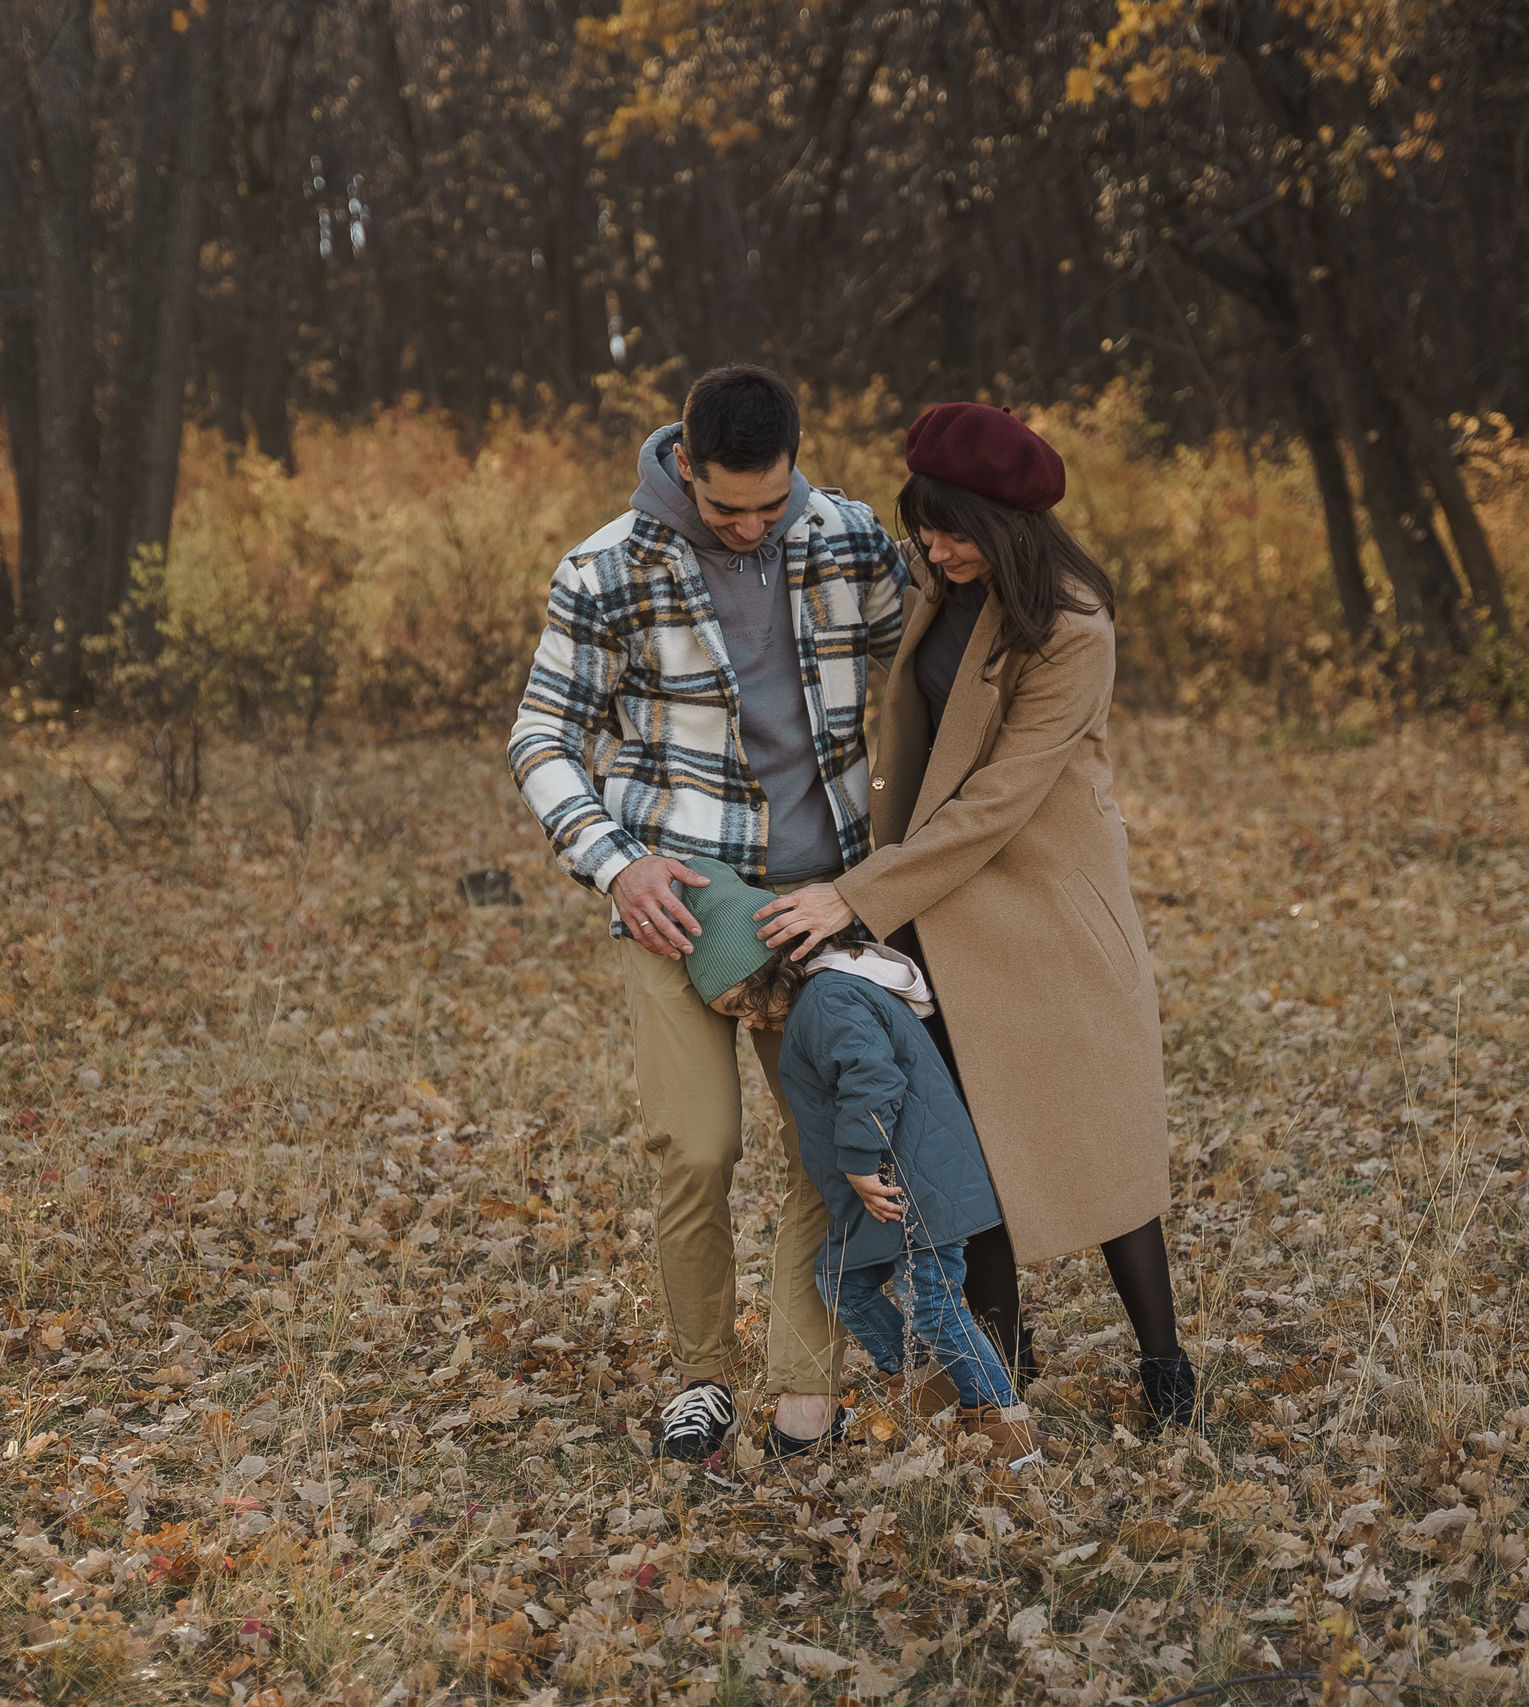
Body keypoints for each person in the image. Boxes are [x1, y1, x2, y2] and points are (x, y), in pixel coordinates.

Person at [752, 402, 1198, 1428]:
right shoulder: (931, 578)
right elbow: (813, 508)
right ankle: (1004, 1368)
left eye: (954, 532)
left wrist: (854, 896)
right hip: (935, 910)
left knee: (1105, 1153)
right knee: (970, 1144)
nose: (935, 549)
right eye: (924, 528)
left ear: (1007, 527)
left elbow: (996, 803)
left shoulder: (1072, 628)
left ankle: (1165, 1367)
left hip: (1045, 915)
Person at [506, 365, 910, 1462]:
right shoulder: (604, 569)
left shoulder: (851, 541)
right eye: (725, 505)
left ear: (795, 467)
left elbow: (935, 667)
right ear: (683, 464)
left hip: (823, 908)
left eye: (768, 505)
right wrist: (615, 865)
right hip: (679, 908)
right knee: (694, 1148)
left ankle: (802, 1385)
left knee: (827, 1151)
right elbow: (541, 737)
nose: (747, 526)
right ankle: (700, 1377)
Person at [672, 856, 1043, 1467]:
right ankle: (926, 1379)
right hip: (893, 1183)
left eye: (744, 1004)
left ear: (773, 967)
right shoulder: (819, 1000)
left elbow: (872, 1079)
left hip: (913, 1178)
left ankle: (1005, 1430)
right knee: (840, 1280)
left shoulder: (830, 999)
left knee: (937, 1304)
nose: (750, 1022)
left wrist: (860, 1160)